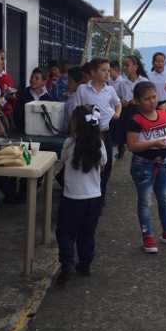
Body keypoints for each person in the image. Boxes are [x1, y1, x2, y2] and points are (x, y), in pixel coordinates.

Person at [127, 81, 166, 253]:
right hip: (142, 165)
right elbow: (132, 146)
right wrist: (153, 142)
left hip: (161, 163)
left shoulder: (163, 114)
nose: (152, 101)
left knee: (165, 198)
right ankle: (147, 235)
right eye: (147, 99)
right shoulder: (136, 120)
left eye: (154, 97)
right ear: (138, 101)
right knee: (145, 201)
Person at [55, 105, 107, 286]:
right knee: (87, 233)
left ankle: (66, 264)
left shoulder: (69, 143)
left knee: (66, 232)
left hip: (71, 197)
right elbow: (104, 164)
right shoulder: (99, 143)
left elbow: (62, 162)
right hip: (93, 197)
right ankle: (85, 264)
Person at [75, 59, 121, 202]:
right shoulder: (82, 89)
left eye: (108, 70)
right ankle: (85, 193)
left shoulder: (110, 90)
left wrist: (117, 113)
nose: (107, 73)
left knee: (106, 164)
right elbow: (76, 109)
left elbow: (118, 103)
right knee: (87, 162)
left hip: (104, 132)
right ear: (93, 73)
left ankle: (100, 195)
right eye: (103, 70)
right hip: (87, 133)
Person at [117, 55, 149, 159]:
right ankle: (122, 146)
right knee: (124, 130)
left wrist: (137, 101)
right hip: (126, 111)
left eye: (127, 65)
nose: (125, 68)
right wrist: (122, 101)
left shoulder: (143, 81)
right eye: (124, 65)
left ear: (135, 67)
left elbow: (149, 98)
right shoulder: (122, 83)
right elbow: (119, 98)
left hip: (140, 111)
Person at [14, 68, 52, 132]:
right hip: (24, 131)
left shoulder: (48, 98)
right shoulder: (22, 94)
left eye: (36, 78)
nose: (32, 80)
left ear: (44, 82)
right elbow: (17, 116)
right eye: (32, 77)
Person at [0, 51, 17, 125]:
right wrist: (5, 97)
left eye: (4, 59)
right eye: (1, 58)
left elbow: (11, 96)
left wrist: (13, 97)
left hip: (9, 114)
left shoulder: (8, 77)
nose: (3, 61)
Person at [63, 67, 83, 133]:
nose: (67, 84)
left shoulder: (74, 100)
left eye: (70, 81)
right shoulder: (71, 96)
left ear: (79, 83)